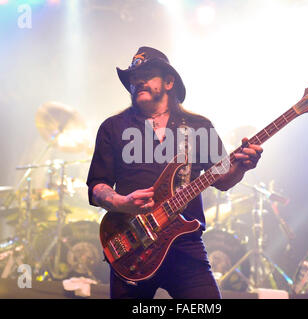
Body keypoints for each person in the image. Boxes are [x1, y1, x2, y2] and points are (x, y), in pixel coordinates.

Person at [86, 46, 263, 299]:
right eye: (134, 78)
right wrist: (122, 202)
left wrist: (242, 168)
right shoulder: (113, 127)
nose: (138, 81)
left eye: (146, 74)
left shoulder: (198, 126)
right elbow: (98, 186)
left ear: (169, 82)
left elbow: (222, 180)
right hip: (132, 242)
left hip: (185, 247)